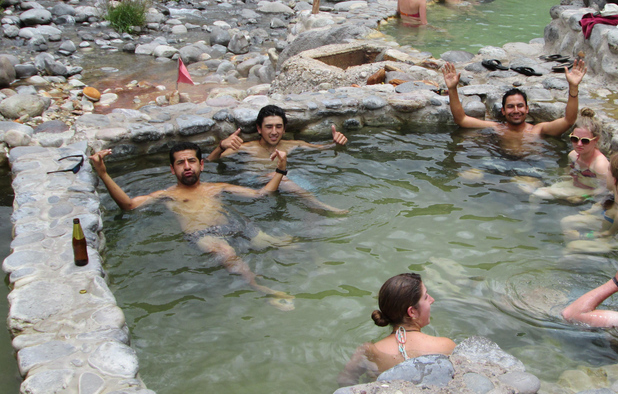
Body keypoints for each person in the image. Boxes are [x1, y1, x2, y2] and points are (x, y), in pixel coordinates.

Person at [89, 142, 295, 309]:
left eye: (191, 161)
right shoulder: (168, 195)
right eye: (180, 163)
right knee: (227, 253)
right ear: (172, 169)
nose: (187, 166)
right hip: (202, 235)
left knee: (283, 242)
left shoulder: (217, 188)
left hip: (234, 225)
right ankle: (264, 289)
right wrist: (103, 174)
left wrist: (280, 169)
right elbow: (129, 205)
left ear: (201, 165)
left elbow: (261, 195)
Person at [207, 105, 348, 214]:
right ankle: (319, 206)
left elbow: (323, 148)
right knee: (276, 176)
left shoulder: (294, 145)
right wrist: (220, 146)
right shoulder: (245, 148)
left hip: (286, 181)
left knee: (308, 187)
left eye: (278, 127)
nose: (274, 132)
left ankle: (315, 215)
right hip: (255, 182)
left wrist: (337, 143)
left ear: (284, 129)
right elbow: (209, 162)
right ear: (259, 129)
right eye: (269, 127)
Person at [337, 273, 455, 386]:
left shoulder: (369, 351)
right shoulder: (445, 346)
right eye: (426, 297)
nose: (432, 300)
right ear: (412, 312)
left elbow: (344, 380)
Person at [441, 58, 587, 140]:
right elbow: (461, 120)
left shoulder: (538, 130)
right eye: (510, 107)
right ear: (503, 111)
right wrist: (453, 89)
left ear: (527, 109)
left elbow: (569, 120)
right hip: (499, 166)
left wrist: (573, 87)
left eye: (520, 106)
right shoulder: (496, 128)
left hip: (531, 169)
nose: (516, 110)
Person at [528, 108, 610, 202]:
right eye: (575, 139)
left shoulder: (599, 165)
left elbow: (604, 191)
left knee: (538, 195)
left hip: (589, 192)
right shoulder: (573, 156)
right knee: (535, 195)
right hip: (574, 185)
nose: (579, 144)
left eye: (585, 141)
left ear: (596, 140)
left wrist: (583, 196)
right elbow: (567, 175)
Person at [562, 152, 618, 240]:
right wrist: (584, 198)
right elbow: (600, 200)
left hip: (617, 240)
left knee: (572, 247)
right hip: (606, 222)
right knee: (566, 222)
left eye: (608, 171)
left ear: (615, 180)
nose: (606, 175)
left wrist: (582, 236)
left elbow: (608, 234)